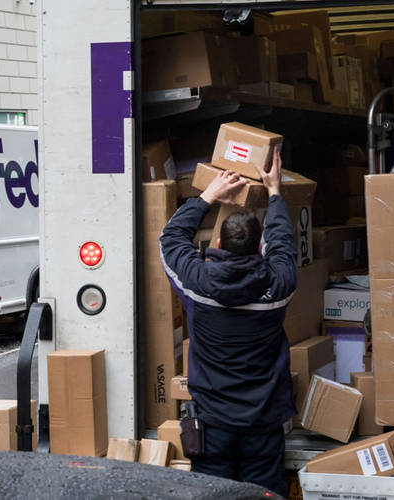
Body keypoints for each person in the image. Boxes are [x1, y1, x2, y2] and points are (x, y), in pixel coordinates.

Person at [159, 151, 296, 496]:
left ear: (218, 244)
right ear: (258, 250)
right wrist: (275, 192)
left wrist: (207, 196)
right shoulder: (277, 285)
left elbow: (170, 240)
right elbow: (283, 244)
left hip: (212, 422)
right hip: (262, 422)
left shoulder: (197, 282)